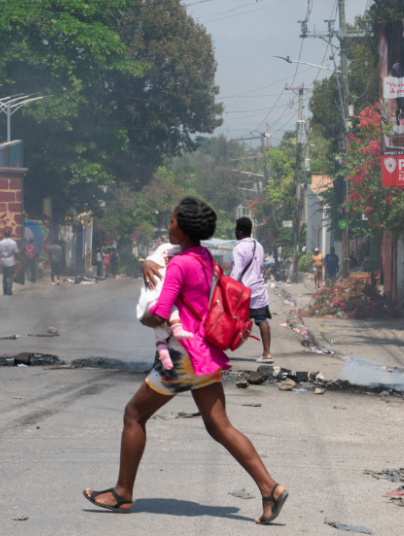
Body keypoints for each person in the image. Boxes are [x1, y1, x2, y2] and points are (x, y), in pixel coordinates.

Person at [84, 198, 288, 523]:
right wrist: (145, 264)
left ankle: (122, 493)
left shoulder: (180, 265)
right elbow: (162, 256)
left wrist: (144, 316)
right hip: (204, 353)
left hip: (181, 357)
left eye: (172, 221)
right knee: (220, 427)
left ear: (185, 226)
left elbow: (161, 312)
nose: (168, 226)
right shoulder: (204, 258)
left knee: (133, 415)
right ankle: (270, 488)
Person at [135, 243, 195, 370]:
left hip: (179, 312)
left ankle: (166, 366)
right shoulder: (164, 266)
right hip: (166, 311)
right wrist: (148, 263)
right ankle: (163, 365)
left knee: (164, 336)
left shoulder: (186, 258)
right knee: (163, 334)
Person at [231, 218, 273, 364]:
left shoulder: (238, 248)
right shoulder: (258, 246)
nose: (235, 231)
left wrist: (229, 286)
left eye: (236, 229)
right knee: (262, 320)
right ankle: (267, 353)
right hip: (258, 289)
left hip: (243, 291)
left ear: (240, 231)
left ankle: (218, 350)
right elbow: (260, 266)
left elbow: (237, 271)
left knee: (229, 318)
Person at [0, 229, 20, 296]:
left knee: (5, 276)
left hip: (3, 262)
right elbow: (16, 253)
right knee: (11, 276)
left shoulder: (0, 242)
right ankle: (9, 287)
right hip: (11, 262)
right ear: (10, 235)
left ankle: (5, 290)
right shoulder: (14, 243)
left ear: (4, 235)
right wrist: (21, 260)